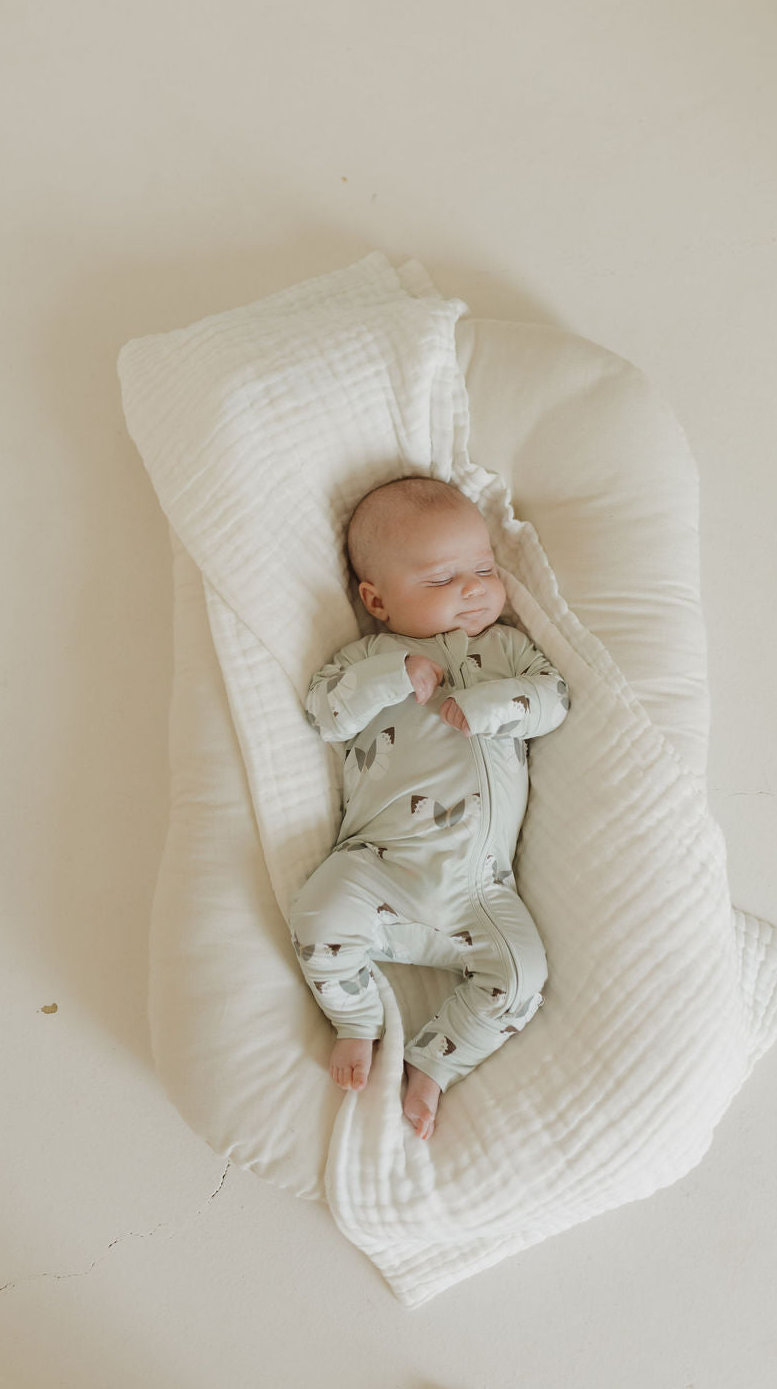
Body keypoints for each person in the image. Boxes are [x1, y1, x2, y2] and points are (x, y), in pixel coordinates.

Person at [289, 476, 570, 1140]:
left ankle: (434, 1062)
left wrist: (496, 705)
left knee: (523, 976)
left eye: (483, 569)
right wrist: (394, 678)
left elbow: (553, 698)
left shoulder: (505, 650)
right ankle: (356, 1020)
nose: (473, 589)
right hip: (379, 863)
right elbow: (323, 712)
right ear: (377, 600)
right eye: (443, 580)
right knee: (317, 916)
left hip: (480, 892)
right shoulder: (369, 657)